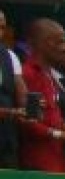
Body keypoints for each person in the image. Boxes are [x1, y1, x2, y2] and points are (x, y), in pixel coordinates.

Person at [19, 18, 65, 172]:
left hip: (56, 159)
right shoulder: (29, 74)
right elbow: (28, 121)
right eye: (61, 42)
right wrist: (62, 135)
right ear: (47, 43)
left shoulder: (49, 74)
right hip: (38, 163)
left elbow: (48, 115)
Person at [0, 9, 29, 167]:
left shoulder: (9, 56)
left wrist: (31, 106)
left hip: (6, 140)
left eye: (2, 27)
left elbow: (22, 94)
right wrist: (10, 112)